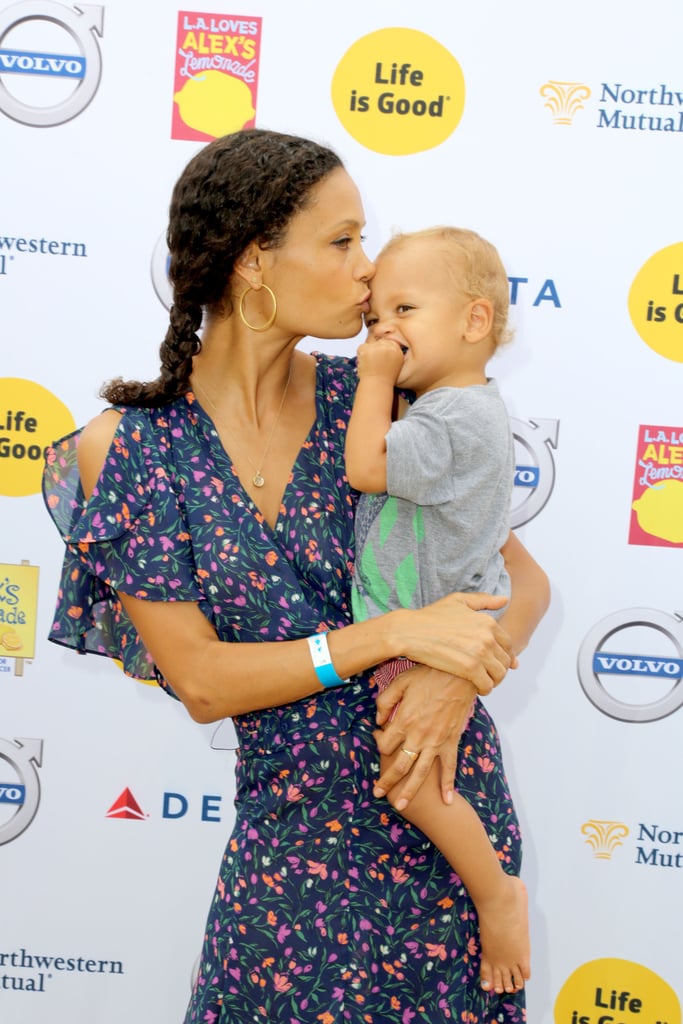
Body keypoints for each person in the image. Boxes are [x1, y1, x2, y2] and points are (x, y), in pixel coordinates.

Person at [43, 129, 549, 1023]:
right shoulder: (129, 449)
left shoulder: (376, 397)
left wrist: (454, 686)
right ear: (252, 263)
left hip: (444, 822)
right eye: (342, 241)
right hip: (289, 868)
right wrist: (390, 637)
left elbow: (523, 585)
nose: (368, 272)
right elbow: (201, 681)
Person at [346, 226, 531, 997]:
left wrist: (370, 377)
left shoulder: (453, 419)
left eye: (405, 310)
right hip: (419, 626)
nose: (383, 332)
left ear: (474, 322)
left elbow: (364, 467)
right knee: (410, 778)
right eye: (374, 317)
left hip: (427, 638)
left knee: (411, 781)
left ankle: (497, 895)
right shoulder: (446, 408)